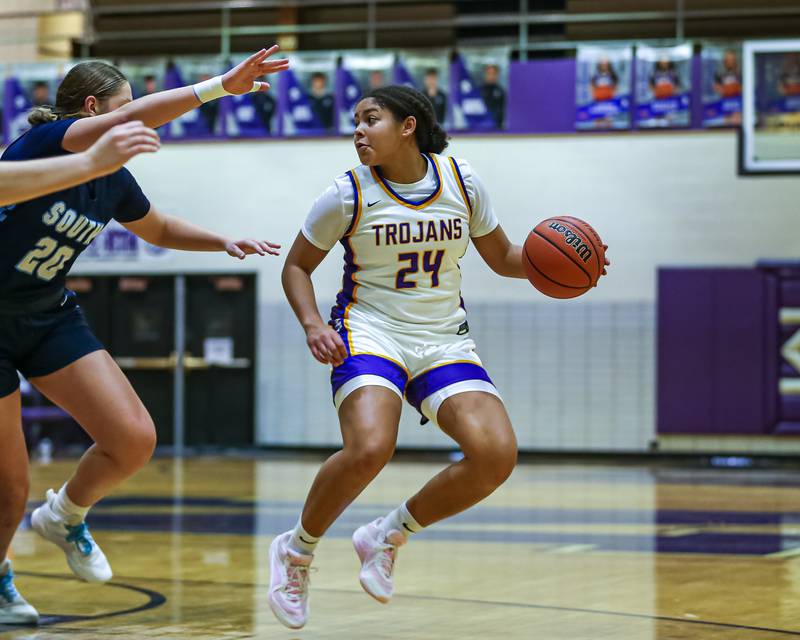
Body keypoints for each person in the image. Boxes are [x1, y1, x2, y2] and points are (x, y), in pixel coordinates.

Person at [271, 84, 611, 629]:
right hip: (370, 330)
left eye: (371, 119)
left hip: (442, 338)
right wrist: (313, 325)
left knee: (496, 454)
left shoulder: (461, 180)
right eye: (355, 121)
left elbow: (503, 259)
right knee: (370, 448)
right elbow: (295, 266)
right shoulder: (346, 193)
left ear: (408, 126)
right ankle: (296, 552)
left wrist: (575, 266)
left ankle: (387, 536)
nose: (358, 129)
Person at [0, 47, 287, 626]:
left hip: (47, 313)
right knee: (9, 485)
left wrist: (222, 241)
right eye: (125, 109)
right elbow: (125, 123)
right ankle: (1, 576)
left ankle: (65, 516)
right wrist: (218, 88)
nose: (137, 120)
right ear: (90, 110)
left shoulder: (113, 180)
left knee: (132, 438)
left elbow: (156, 227)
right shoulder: (43, 145)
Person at [0, 121, 159, 207]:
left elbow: (160, 230)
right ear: (91, 106)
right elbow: (128, 115)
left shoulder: (116, 176)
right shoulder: (46, 136)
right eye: (124, 104)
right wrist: (91, 162)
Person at [480, 64, 505, 129]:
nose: (491, 76)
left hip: (497, 127)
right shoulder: (478, 91)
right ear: (485, 74)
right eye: (489, 73)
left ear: (497, 75)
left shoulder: (501, 92)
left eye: (494, 73)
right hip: (479, 127)